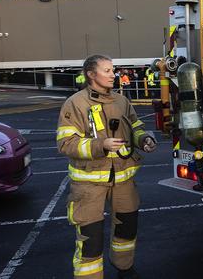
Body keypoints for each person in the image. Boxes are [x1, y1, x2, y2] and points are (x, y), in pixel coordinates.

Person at [56, 54, 157, 279]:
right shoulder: (75, 103)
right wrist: (101, 145)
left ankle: (125, 268)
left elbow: (137, 126)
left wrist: (143, 140)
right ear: (91, 75)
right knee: (90, 239)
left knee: (127, 229)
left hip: (124, 180)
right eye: (107, 70)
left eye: (113, 70)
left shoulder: (121, 101)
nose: (114, 74)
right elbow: (66, 143)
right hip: (89, 183)